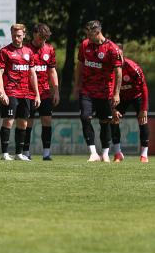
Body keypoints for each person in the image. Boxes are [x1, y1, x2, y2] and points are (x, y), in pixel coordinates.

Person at [71, 20, 123, 162]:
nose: (87, 35)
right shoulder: (85, 45)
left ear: (97, 32)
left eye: (89, 32)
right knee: (85, 117)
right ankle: (93, 153)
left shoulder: (112, 49)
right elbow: (80, 66)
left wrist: (116, 93)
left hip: (105, 92)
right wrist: (77, 86)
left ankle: (105, 153)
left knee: (105, 122)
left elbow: (119, 72)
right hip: (87, 91)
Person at [0, 24, 41, 161]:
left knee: (23, 123)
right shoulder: (5, 51)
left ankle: (19, 154)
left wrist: (37, 94)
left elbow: (32, 74)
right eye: (14, 35)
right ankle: (4, 154)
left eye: (19, 35)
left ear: (24, 35)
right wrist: (1, 90)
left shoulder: (29, 52)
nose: (16, 38)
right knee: (8, 121)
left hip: (26, 93)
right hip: (11, 91)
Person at [24, 23, 59, 160]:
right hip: (28, 91)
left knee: (47, 120)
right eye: (39, 38)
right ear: (33, 35)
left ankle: (46, 153)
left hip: (44, 92)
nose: (41, 42)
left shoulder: (49, 49)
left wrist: (56, 91)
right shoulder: (25, 49)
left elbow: (52, 71)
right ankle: (25, 152)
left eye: (44, 39)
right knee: (28, 121)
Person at [111, 53, 148, 163]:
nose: (116, 60)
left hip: (136, 96)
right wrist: (112, 108)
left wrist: (144, 109)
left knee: (142, 120)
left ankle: (144, 155)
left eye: (118, 57)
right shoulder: (109, 68)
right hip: (120, 97)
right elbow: (107, 89)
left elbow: (144, 87)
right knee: (114, 119)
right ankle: (118, 153)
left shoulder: (133, 67)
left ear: (122, 55)